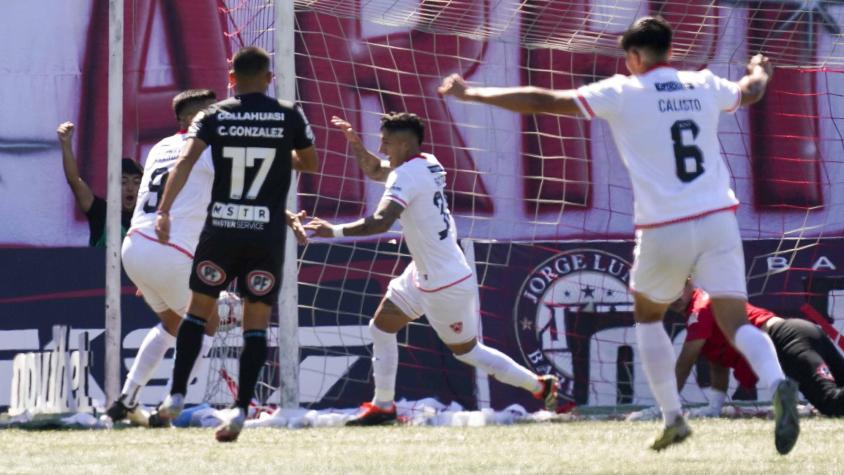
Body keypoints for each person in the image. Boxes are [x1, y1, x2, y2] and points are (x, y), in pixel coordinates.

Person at [438, 16, 799, 453]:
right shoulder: (703, 83)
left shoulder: (622, 91)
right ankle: (778, 382)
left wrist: (473, 92)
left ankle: (673, 417)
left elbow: (543, 100)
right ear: (669, 51)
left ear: (632, 57)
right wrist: (760, 68)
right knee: (736, 321)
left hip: (664, 225)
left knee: (648, 315)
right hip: (719, 217)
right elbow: (753, 91)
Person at [306, 112, 559, 426]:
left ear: (402, 143)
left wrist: (336, 232)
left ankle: (539, 385)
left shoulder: (405, 177)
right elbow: (374, 169)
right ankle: (383, 406)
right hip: (424, 271)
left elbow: (382, 221)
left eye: (385, 142)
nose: (382, 148)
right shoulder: (428, 162)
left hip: (445, 282)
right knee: (381, 327)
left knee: (467, 351)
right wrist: (356, 144)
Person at [154, 46, 318, 442]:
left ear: (231, 78)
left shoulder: (214, 115)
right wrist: (279, 155)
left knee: (197, 311)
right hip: (264, 236)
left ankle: (176, 394)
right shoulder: (288, 114)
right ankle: (242, 409)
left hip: (222, 229)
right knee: (255, 323)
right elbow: (309, 163)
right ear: (268, 77)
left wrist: (164, 211)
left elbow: (185, 163)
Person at [106, 89, 226, 425]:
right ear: (190, 119)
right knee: (208, 323)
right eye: (208, 112)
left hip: (135, 247)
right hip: (168, 250)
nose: (216, 117)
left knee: (172, 324)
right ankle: (172, 404)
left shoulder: (159, 147)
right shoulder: (207, 148)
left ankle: (127, 399)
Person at [671, 283, 844, 418]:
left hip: (787, 339)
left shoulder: (699, 310)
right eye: (667, 289)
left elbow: (684, 364)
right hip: (800, 331)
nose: (675, 295)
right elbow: (718, 364)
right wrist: (714, 407)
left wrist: (666, 406)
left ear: (691, 281)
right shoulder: (706, 305)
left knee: (831, 403)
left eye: (680, 286)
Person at [57, 122, 142, 247]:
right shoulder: (100, 212)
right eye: (123, 182)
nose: (130, 188)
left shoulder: (149, 218)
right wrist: (66, 144)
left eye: (136, 182)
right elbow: (74, 180)